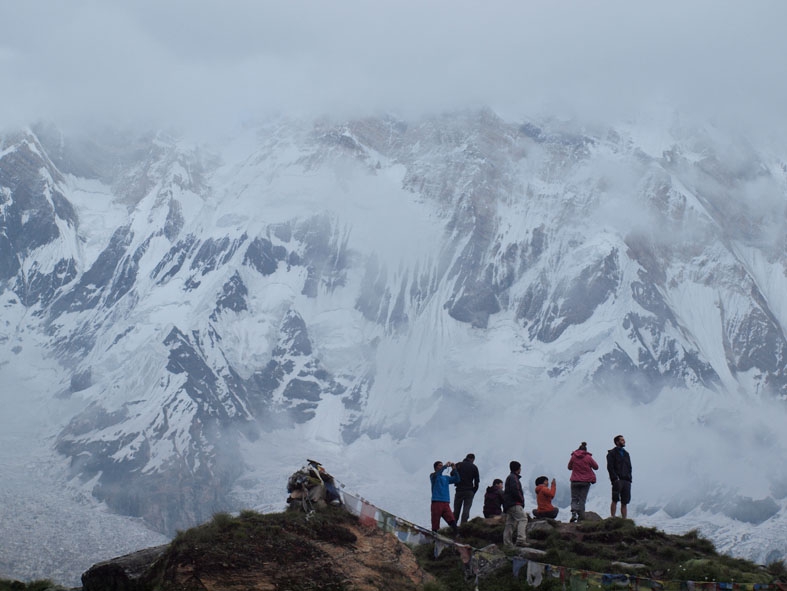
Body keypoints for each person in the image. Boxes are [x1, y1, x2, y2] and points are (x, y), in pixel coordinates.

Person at [567, 441, 598, 522]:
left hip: (574, 480)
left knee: (574, 498)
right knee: (582, 499)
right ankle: (581, 517)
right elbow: (596, 467)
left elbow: (569, 467)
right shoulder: (588, 457)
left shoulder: (573, 457)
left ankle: (574, 512)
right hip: (585, 481)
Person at [430, 460, 460, 535]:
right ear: (435, 468)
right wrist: (445, 466)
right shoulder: (433, 476)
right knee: (435, 521)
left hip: (445, 502)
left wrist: (454, 469)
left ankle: (457, 534)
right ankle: (434, 535)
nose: (441, 466)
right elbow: (437, 473)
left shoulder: (446, 478)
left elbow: (457, 479)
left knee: (451, 519)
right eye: (439, 465)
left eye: (442, 465)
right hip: (436, 501)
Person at [606, 435, 632, 518]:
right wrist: (614, 478)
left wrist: (629, 478)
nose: (624, 441)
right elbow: (610, 467)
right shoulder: (612, 453)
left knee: (625, 501)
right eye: (622, 440)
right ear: (617, 442)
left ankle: (624, 519)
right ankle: (613, 517)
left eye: (624, 440)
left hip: (626, 480)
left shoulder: (626, 454)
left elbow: (629, 467)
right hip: (617, 480)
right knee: (615, 499)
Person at [502, 461, 527, 548]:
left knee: (510, 523)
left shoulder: (510, 477)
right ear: (518, 469)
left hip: (508, 504)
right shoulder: (514, 478)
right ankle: (521, 540)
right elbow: (516, 490)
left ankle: (507, 543)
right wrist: (521, 500)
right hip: (514, 503)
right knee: (523, 519)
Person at [452, 453, 480, 525]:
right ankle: (463, 525)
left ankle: (453, 526)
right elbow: (477, 481)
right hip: (469, 491)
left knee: (456, 510)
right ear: (473, 459)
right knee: (466, 510)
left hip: (459, 490)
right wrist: (473, 491)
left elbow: (452, 474)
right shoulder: (474, 467)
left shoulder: (458, 465)